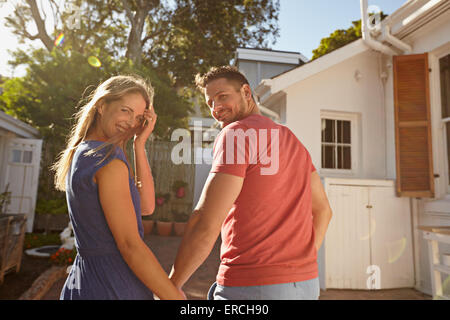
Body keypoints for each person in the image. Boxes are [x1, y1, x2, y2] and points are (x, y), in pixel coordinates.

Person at [169, 66, 333, 300]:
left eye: (223, 97)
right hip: (305, 285)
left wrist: (172, 284)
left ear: (246, 92)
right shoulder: (291, 140)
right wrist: (298, 264)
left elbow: (206, 220)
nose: (216, 109)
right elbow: (324, 211)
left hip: (253, 285)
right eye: (210, 103)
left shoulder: (236, 134)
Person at [52, 75, 185, 300]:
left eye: (139, 117)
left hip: (85, 282)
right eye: (125, 110)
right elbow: (130, 245)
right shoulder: (107, 160)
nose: (131, 122)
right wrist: (175, 298)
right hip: (113, 284)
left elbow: (145, 207)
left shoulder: (85, 153)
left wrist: (139, 145)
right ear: (102, 106)